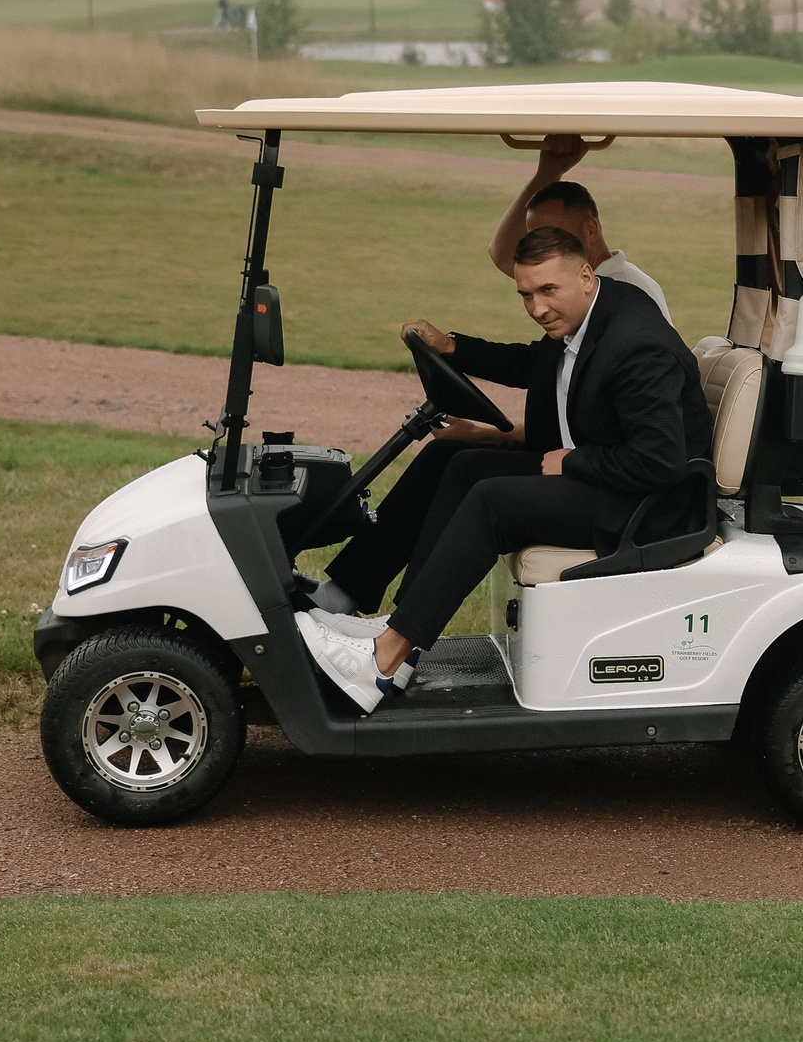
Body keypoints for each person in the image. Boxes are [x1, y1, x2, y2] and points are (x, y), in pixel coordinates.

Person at [296, 225, 712, 710]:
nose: (537, 309)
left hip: (646, 507)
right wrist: (453, 347)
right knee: (454, 460)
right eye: (526, 295)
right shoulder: (587, 313)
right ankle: (360, 602)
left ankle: (382, 662)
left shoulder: (638, 345)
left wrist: (576, 459)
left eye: (547, 291)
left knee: (492, 501)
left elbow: (661, 462)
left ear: (584, 274)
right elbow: (535, 364)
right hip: (612, 476)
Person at [489, 134, 669, 321]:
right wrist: (548, 171)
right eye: (536, 238)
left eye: (555, 237)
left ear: (590, 229)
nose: (542, 248)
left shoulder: (624, 291)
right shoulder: (574, 280)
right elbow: (504, 255)